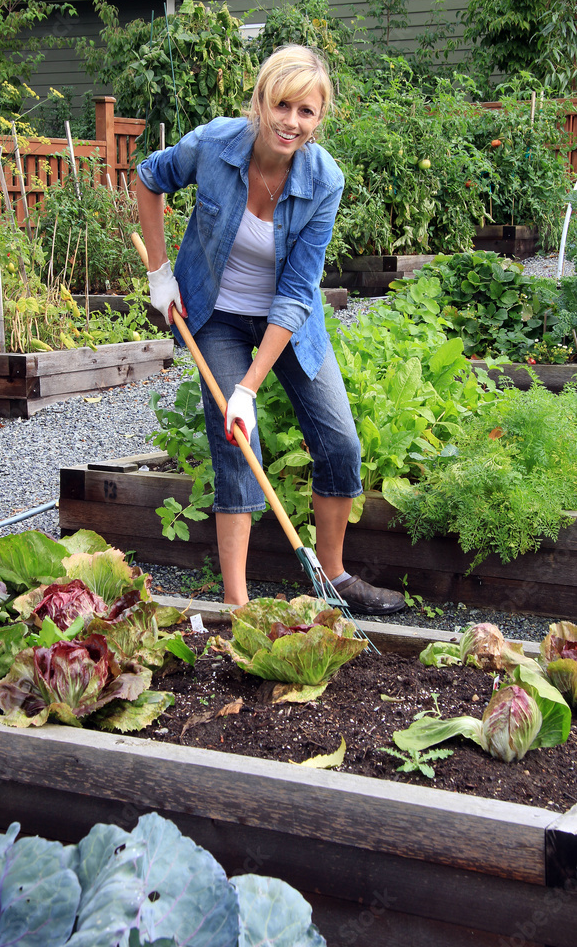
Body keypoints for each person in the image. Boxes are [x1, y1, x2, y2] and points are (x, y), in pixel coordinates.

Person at [136, 44, 404, 615]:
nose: (292, 122)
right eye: (283, 105)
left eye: (307, 111)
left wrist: (248, 388)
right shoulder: (212, 145)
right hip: (216, 314)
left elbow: (297, 293)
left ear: (319, 118)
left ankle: (333, 579)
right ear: (261, 100)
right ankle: (237, 605)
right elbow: (148, 178)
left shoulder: (324, 180)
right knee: (238, 447)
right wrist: (160, 272)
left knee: (340, 442)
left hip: (287, 323)